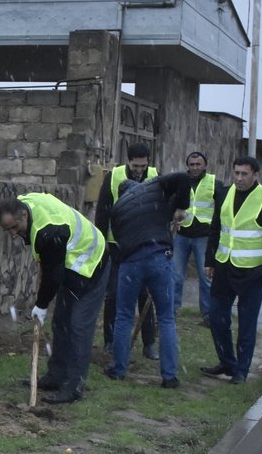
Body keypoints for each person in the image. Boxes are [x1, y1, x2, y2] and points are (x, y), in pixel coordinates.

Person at [0, 193, 111, 404]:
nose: (13, 234)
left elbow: (53, 275)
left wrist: (41, 305)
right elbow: (50, 268)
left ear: (23, 214)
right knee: (60, 323)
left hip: (93, 264)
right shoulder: (25, 203)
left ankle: (73, 386)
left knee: (78, 327)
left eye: (14, 227)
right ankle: (56, 376)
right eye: (7, 229)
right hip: (72, 262)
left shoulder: (48, 232)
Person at [200, 156, 262, 385]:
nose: (239, 178)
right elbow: (216, 229)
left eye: (244, 174)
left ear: (255, 175)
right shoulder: (224, 193)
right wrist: (210, 261)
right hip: (223, 267)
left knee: (247, 323)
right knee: (218, 318)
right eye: (236, 173)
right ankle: (227, 362)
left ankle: (241, 370)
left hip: (252, 272)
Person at [103, 170, 194, 387]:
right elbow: (183, 178)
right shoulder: (153, 187)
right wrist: (181, 207)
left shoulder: (117, 209)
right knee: (166, 318)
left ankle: (119, 369)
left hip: (131, 262)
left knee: (124, 316)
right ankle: (169, 377)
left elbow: (119, 240)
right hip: (159, 258)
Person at [96, 142, 158, 359]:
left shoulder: (155, 176)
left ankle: (149, 343)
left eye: (143, 166)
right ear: (128, 160)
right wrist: (101, 243)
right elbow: (102, 212)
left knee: (145, 295)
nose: (139, 170)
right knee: (113, 295)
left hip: (145, 245)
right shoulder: (113, 177)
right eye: (135, 166)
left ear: (148, 162)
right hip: (117, 245)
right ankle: (110, 342)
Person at [171, 151, 224, 323]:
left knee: (206, 276)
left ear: (205, 165)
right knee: (176, 275)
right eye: (192, 164)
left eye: (198, 164)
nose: (195, 167)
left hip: (203, 236)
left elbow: (222, 208)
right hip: (182, 233)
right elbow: (171, 201)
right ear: (187, 165)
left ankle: (208, 315)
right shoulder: (180, 181)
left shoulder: (214, 183)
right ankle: (171, 311)